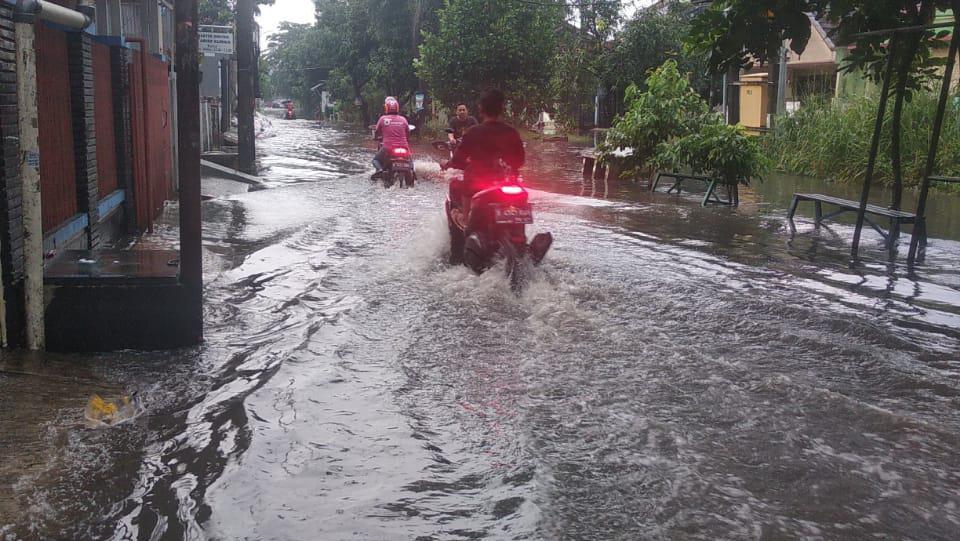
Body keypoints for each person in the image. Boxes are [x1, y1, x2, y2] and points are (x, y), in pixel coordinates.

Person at [441, 89, 524, 227]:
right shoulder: (511, 132)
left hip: (477, 182)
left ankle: (467, 221)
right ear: (502, 109)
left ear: (481, 109)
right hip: (506, 183)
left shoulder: (473, 132)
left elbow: (458, 160)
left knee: (460, 187)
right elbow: (520, 159)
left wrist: (447, 164)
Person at [372, 96, 411, 177]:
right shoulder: (403, 119)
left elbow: (376, 131)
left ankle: (380, 170)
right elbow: (408, 133)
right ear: (397, 108)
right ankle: (412, 171)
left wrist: (376, 137)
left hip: (388, 147)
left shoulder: (383, 119)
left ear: (386, 108)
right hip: (404, 146)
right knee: (410, 160)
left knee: (375, 160)